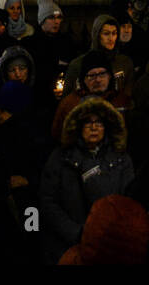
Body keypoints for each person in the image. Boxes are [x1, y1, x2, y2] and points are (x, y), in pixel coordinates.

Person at [39, 96, 135, 264]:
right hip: (69, 243)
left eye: (98, 122)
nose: (93, 128)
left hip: (111, 244)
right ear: (77, 126)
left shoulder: (121, 157)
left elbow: (128, 200)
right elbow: (48, 201)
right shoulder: (60, 158)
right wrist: (77, 233)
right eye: (87, 123)